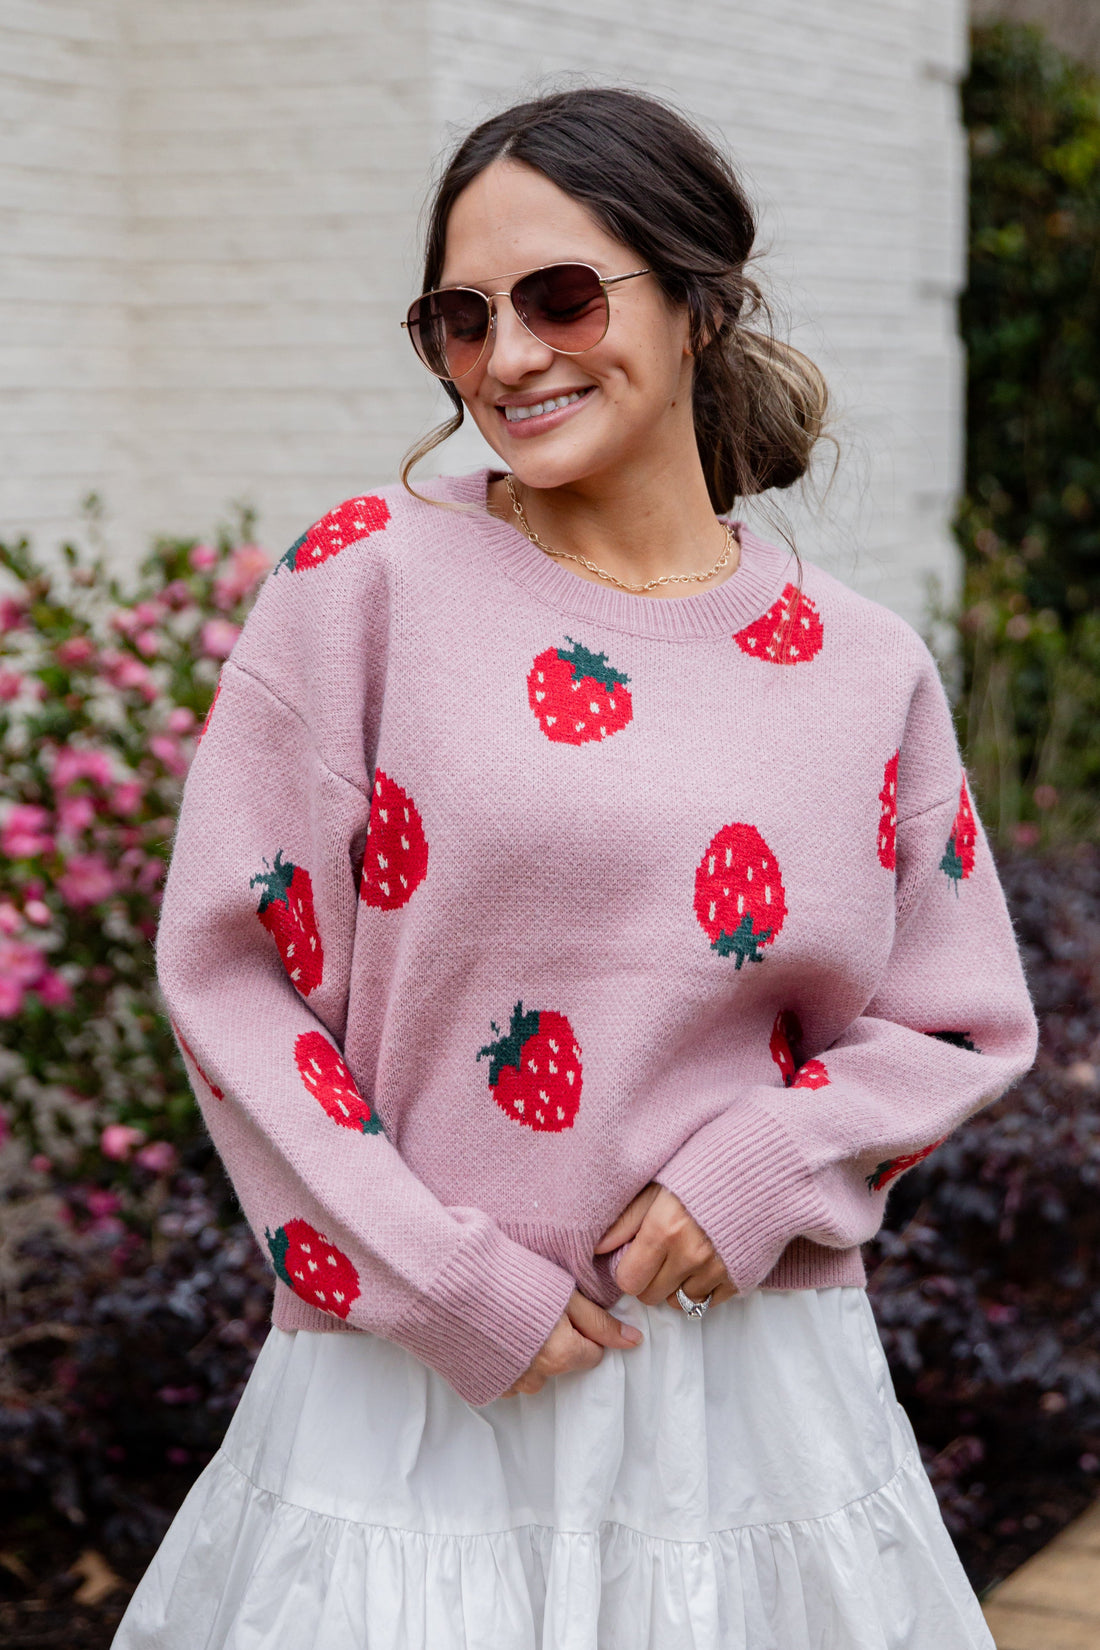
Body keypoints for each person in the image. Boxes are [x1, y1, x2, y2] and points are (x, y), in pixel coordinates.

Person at [111, 87, 1037, 1650]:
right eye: (461, 320)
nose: (513, 355)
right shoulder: (368, 582)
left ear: (695, 300)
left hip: (753, 1401)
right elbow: (229, 969)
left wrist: (757, 1173)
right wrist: (436, 1274)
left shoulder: (862, 666)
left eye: (559, 295)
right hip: (410, 1392)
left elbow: (959, 1022)